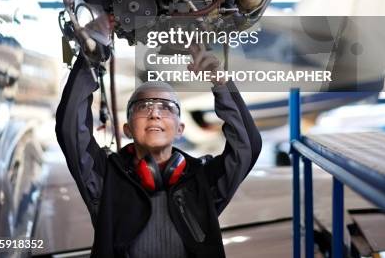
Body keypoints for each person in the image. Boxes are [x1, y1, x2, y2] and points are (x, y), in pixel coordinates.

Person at [55, 34, 262, 258]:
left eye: (166, 107)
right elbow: (71, 130)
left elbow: (247, 146)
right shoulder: (106, 178)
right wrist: (90, 58)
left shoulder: (203, 180)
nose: (154, 113)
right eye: (143, 107)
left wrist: (220, 81)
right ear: (127, 129)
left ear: (180, 129)